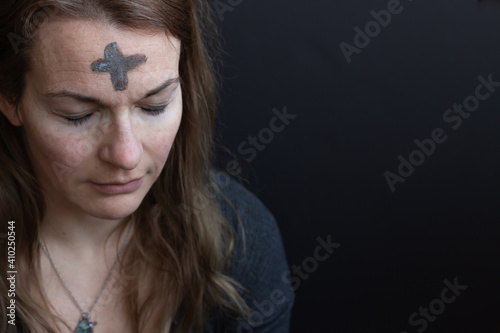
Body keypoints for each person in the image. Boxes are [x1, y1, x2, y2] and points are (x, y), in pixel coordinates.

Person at [0, 0, 294, 332]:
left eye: (155, 106)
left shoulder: (241, 241)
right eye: (77, 115)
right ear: (10, 97)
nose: (127, 156)